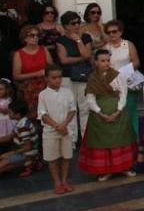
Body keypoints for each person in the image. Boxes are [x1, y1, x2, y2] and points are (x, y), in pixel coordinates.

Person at [78, 49, 136, 181]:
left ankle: (124, 167)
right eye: (103, 61)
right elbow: (90, 98)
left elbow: (123, 93)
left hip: (118, 112)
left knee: (121, 139)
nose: (106, 63)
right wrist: (100, 113)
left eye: (108, 60)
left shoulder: (117, 75)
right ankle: (106, 170)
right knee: (102, 142)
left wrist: (119, 110)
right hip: (100, 114)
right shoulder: (92, 78)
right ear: (96, 62)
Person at [38, 65, 77, 194]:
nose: (57, 80)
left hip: (66, 129)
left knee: (66, 156)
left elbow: (72, 110)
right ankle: (57, 182)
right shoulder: (43, 95)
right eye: (53, 78)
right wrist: (57, 126)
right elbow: (43, 114)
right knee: (52, 158)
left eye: (59, 77)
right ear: (47, 79)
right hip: (51, 131)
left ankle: (65, 180)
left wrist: (64, 124)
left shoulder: (67, 92)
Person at [55, 11, 93, 135]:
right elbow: (63, 60)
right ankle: (71, 139)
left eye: (78, 22)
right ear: (66, 26)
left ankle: (85, 138)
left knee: (85, 108)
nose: (77, 25)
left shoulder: (86, 37)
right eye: (73, 23)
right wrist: (82, 59)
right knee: (70, 108)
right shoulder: (61, 40)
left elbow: (87, 54)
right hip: (67, 76)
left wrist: (78, 40)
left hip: (84, 75)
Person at [12, 25, 52, 120]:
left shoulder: (43, 49)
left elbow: (51, 67)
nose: (36, 38)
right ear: (25, 38)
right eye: (32, 35)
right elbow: (16, 76)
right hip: (28, 89)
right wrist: (36, 73)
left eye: (37, 35)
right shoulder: (19, 54)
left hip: (44, 86)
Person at [0, 100, 39, 176]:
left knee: (3, 163)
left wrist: (10, 153)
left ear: (17, 114)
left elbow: (28, 146)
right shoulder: (20, 122)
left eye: (10, 112)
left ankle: (30, 161)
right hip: (22, 152)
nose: (8, 114)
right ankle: (29, 162)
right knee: (3, 160)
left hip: (27, 153)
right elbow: (9, 137)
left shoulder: (23, 126)